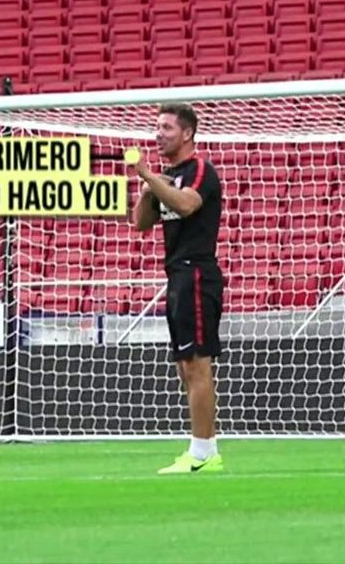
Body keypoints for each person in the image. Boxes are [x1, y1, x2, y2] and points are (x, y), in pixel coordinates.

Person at [129, 103, 225, 474]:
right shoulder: (167, 176)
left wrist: (150, 177)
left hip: (197, 273)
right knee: (185, 367)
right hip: (177, 276)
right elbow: (140, 222)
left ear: (187, 134)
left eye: (167, 127)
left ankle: (202, 454)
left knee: (197, 364)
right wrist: (148, 187)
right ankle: (204, 449)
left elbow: (187, 205)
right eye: (157, 127)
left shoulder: (200, 170)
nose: (158, 134)